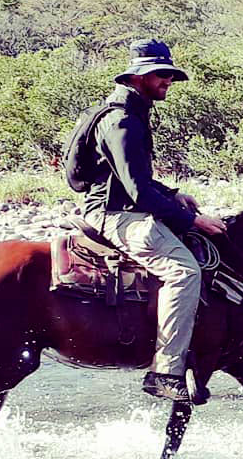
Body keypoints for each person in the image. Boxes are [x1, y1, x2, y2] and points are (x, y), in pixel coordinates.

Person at [79, 38, 227, 402]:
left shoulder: (128, 114)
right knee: (184, 271)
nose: (168, 81)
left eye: (170, 75)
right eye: (161, 75)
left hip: (122, 205)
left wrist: (173, 194)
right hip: (113, 214)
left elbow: (128, 176)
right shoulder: (123, 122)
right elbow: (137, 193)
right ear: (137, 77)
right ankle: (166, 372)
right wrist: (193, 221)